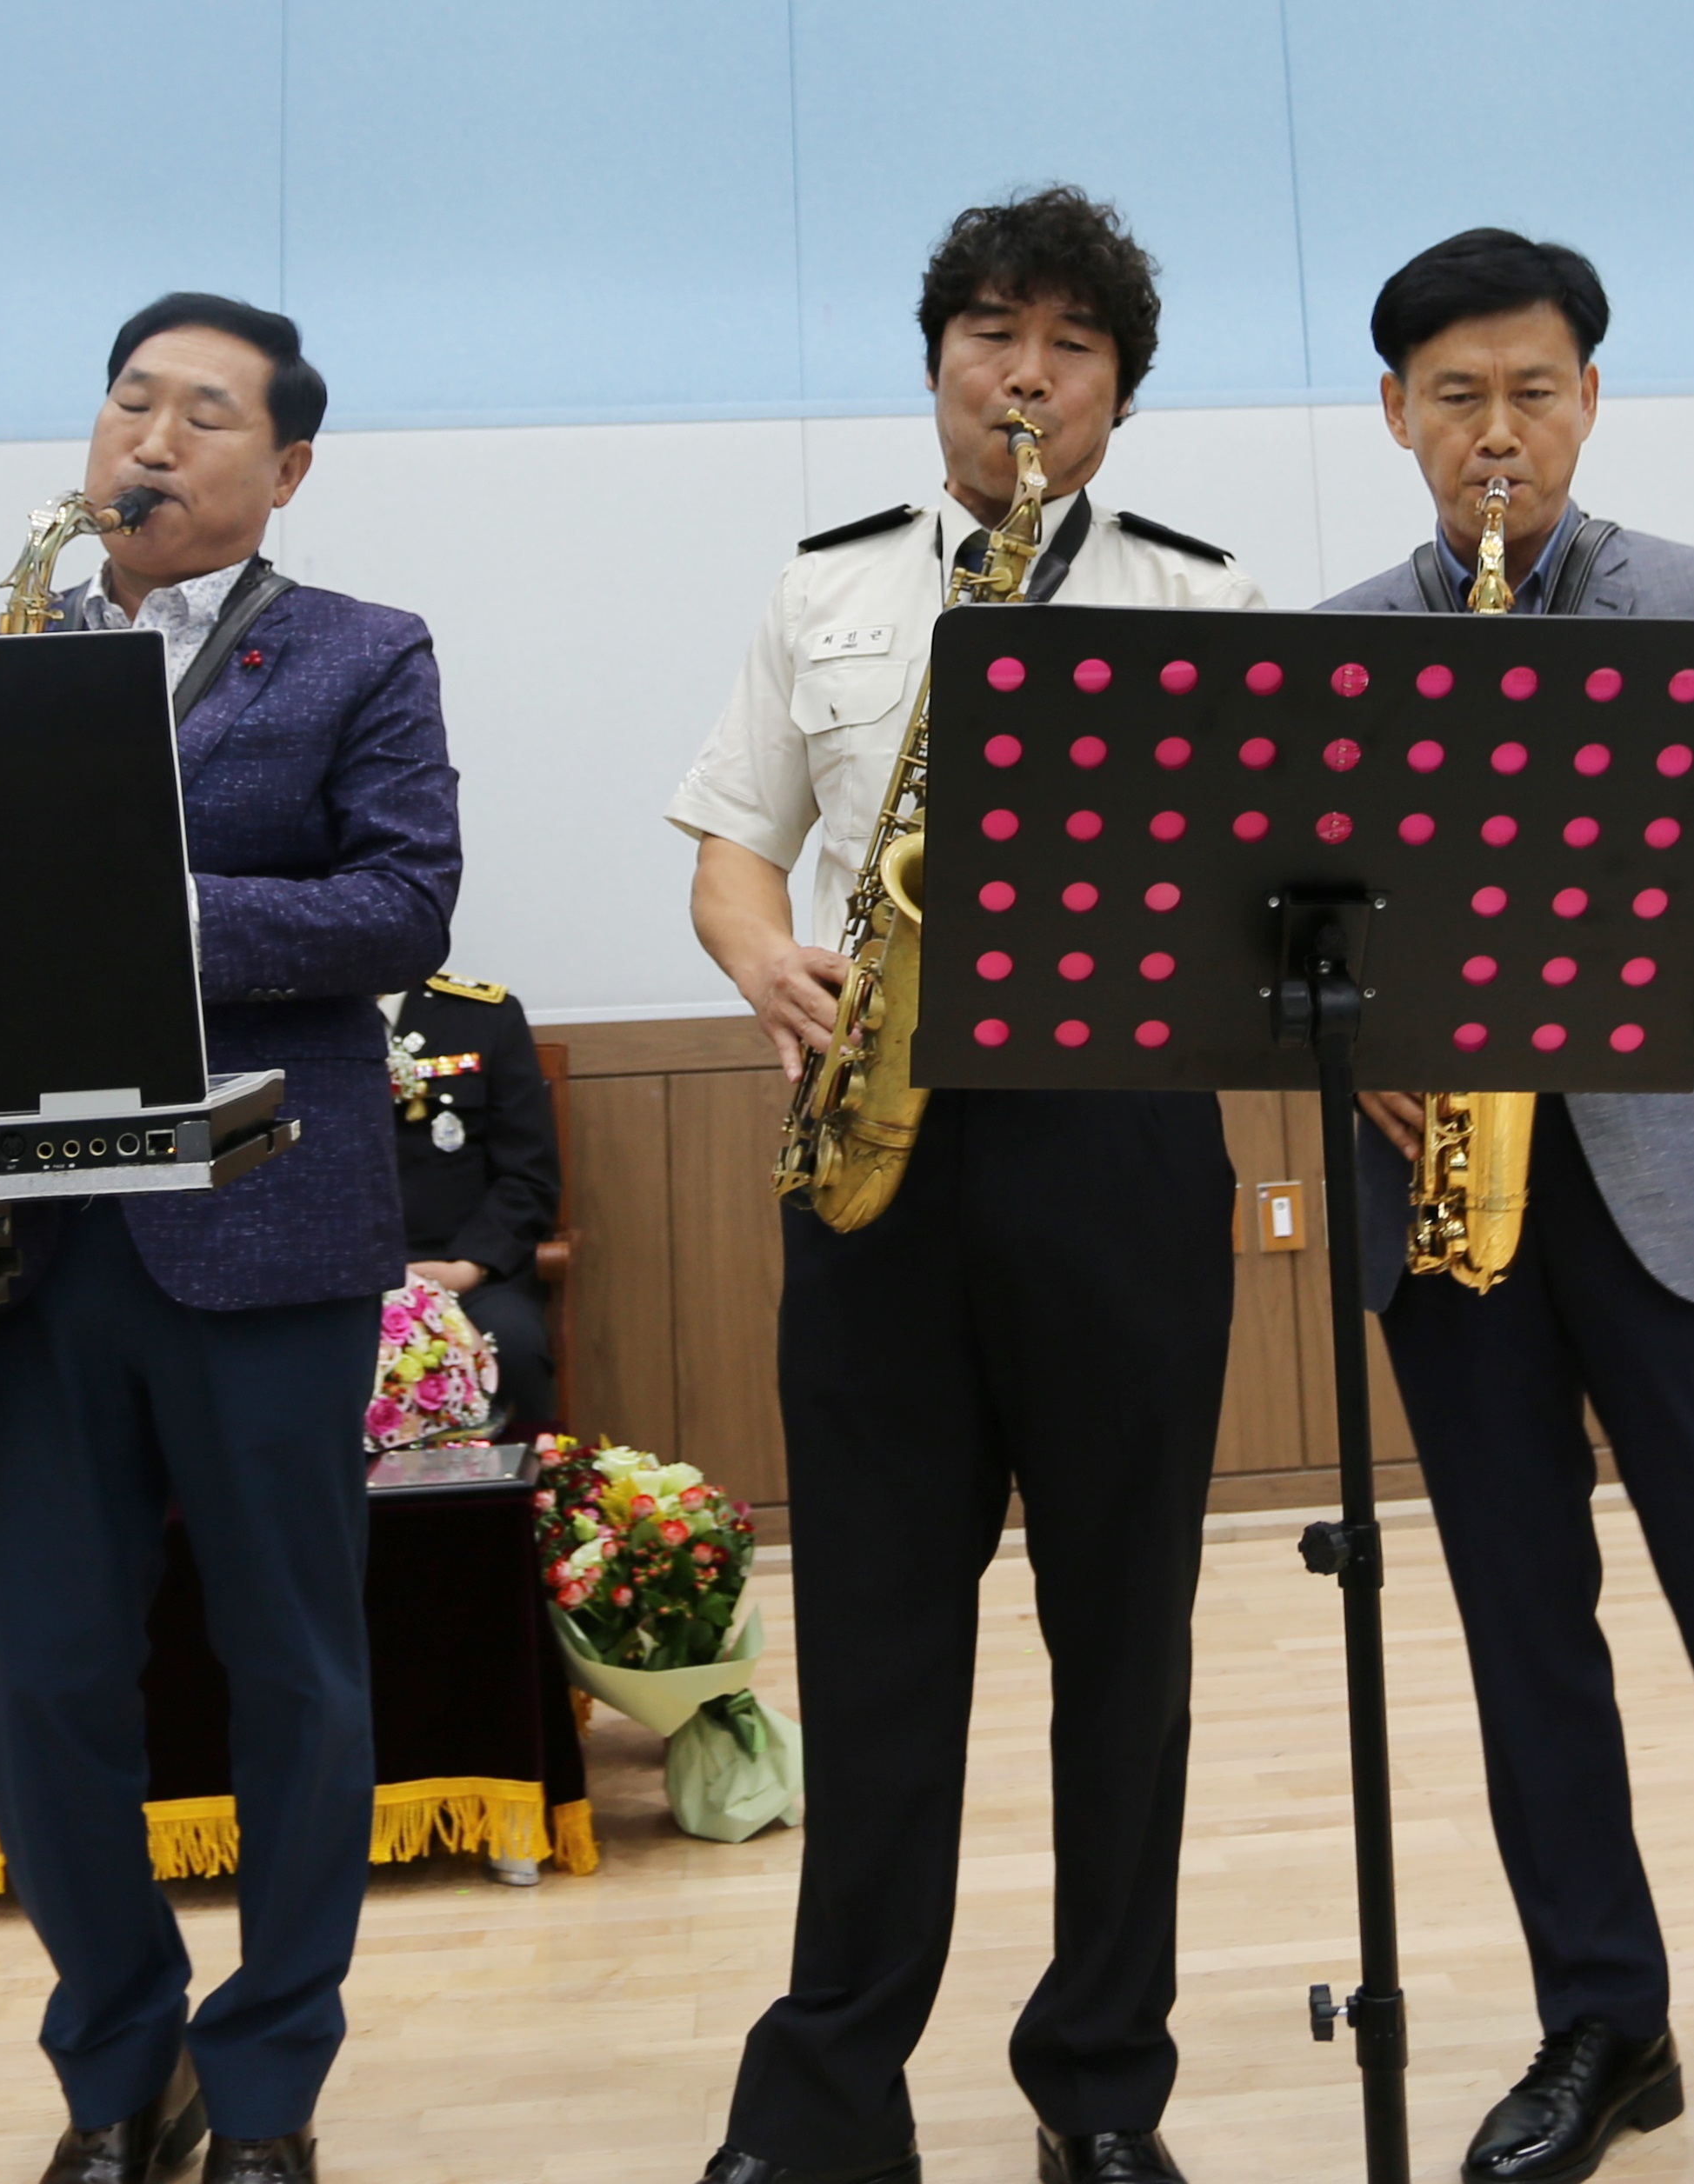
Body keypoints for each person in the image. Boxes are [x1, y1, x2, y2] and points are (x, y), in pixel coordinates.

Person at [1318, 231, 1694, 2184]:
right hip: (1446, 1187)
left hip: (1661, 1172)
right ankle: (1605, 2018)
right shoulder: (1341, 641)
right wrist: (1360, 1037)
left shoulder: (1692, 596)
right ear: (1397, 414)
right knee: (1522, 1623)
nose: (1496, 430)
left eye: (1533, 390)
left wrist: (1585, 864)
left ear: (1589, 398)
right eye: (1456, 396)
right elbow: (1293, 920)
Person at [667, 188, 1260, 2184]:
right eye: (992, 333)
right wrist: (761, 956)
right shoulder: (825, 586)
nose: (1026, 373)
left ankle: (1100, 2090)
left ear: (1120, 395)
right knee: (873, 1643)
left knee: (1126, 1646)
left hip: (1121, 1145)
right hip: (877, 1159)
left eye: (1071, 345)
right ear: (934, 366)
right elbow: (735, 845)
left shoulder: (1202, 592)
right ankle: (830, 2097)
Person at [0, 292, 462, 2184]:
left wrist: (151, 911)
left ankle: (266, 2089)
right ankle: (119, 2063)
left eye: (201, 413)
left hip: (269, 1223)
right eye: (127, 403)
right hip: (38, 1247)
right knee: (33, 1675)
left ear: (287, 466)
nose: (150, 440)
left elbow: (403, 904)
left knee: (296, 1671)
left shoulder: (363, 651)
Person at [382, 966, 563, 1429]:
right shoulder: (293, 1023)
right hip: (337, 1282)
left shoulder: (483, 1016)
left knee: (515, 1346)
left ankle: (523, 1477)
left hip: (463, 1270)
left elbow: (528, 1174)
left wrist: (471, 1266)